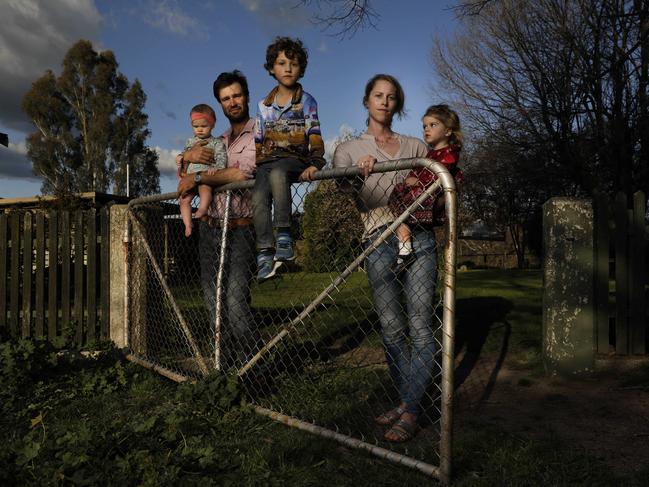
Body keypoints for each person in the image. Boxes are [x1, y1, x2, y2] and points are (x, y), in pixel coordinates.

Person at [333, 74, 435, 443]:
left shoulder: (415, 145)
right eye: (378, 95)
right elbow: (341, 187)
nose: (385, 101)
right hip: (377, 237)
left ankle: (410, 409)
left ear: (398, 104)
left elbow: (433, 187)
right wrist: (353, 173)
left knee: (421, 326)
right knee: (392, 329)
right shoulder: (348, 147)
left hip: (420, 238)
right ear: (366, 101)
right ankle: (408, 400)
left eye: (392, 97)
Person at [177, 70, 258, 369]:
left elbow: (244, 173)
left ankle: (253, 363)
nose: (232, 102)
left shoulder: (258, 133)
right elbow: (187, 176)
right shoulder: (217, 140)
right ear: (220, 105)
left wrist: (198, 176)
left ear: (246, 96)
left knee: (235, 301)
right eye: (225, 99)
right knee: (213, 301)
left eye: (236, 95)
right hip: (211, 225)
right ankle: (222, 364)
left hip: (241, 227)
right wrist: (188, 160)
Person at [252, 36, 325, 282]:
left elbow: (314, 132)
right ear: (272, 68)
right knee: (259, 195)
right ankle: (264, 253)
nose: (288, 68)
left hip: (295, 158)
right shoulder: (263, 105)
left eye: (293, 63)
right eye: (281, 63)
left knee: (278, 173)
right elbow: (259, 138)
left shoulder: (306, 101)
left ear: (301, 69)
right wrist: (257, 163)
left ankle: (284, 236)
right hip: (267, 160)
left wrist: (316, 161)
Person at [388, 104, 464, 274]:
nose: (427, 129)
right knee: (398, 202)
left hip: (431, 197)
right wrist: (410, 180)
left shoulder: (450, 152)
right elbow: (418, 172)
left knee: (403, 210)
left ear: (448, 131)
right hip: (418, 197)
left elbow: (437, 175)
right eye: (424, 126)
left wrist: (418, 181)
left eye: (433, 125)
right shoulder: (429, 155)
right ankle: (405, 249)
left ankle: (405, 250)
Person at [176, 104, 227, 237]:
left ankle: (203, 209)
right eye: (195, 126)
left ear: (213, 125)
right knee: (184, 199)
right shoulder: (190, 141)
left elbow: (221, 157)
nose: (199, 129)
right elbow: (185, 154)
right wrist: (181, 158)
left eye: (204, 126)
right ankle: (187, 224)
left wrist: (216, 168)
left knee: (205, 189)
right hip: (189, 177)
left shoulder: (216, 142)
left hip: (204, 175)